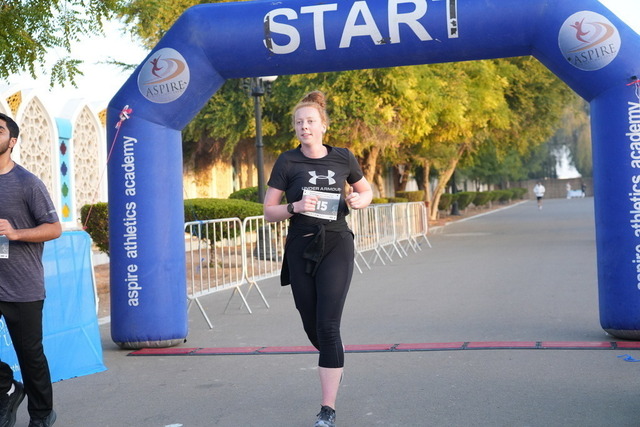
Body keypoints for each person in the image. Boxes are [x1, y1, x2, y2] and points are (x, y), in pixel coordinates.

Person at [263, 91, 373, 427]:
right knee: (311, 324)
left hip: (336, 242)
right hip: (300, 245)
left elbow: (366, 190)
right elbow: (269, 211)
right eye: (299, 123)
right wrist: (295, 207)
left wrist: (360, 200)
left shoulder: (343, 157)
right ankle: (334, 358)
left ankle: (327, 409)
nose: (304, 127)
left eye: (310, 121)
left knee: (327, 326)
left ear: (323, 125)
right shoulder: (287, 161)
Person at [0, 113, 61, 427]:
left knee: (30, 355)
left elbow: (54, 228)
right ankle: (7, 388)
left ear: (12, 141)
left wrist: (16, 233)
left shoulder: (27, 183)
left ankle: (41, 414)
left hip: (22, 285)